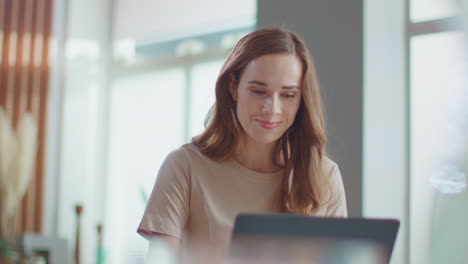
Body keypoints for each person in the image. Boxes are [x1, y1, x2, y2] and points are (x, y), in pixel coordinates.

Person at [137, 27, 347, 263]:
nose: (272, 109)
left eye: (288, 95)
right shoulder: (184, 166)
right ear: (233, 86)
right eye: (258, 91)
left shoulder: (324, 176)